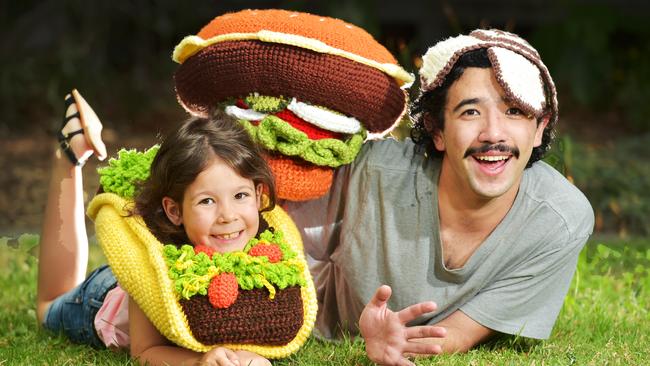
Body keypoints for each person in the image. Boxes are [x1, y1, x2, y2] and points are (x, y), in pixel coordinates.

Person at [284, 29, 595, 365]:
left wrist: (397, 344)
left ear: (539, 128)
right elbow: (258, 226)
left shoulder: (558, 220)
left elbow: (459, 331)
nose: (493, 133)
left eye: (514, 112)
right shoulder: (372, 172)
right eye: (470, 112)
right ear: (437, 131)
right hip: (295, 307)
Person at [36, 89, 278, 366]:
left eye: (240, 196)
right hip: (100, 300)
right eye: (207, 201)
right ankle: (69, 156)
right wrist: (200, 362)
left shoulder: (266, 249)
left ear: (258, 195)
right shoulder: (150, 267)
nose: (227, 216)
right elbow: (145, 351)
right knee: (47, 307)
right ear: (175, 211)